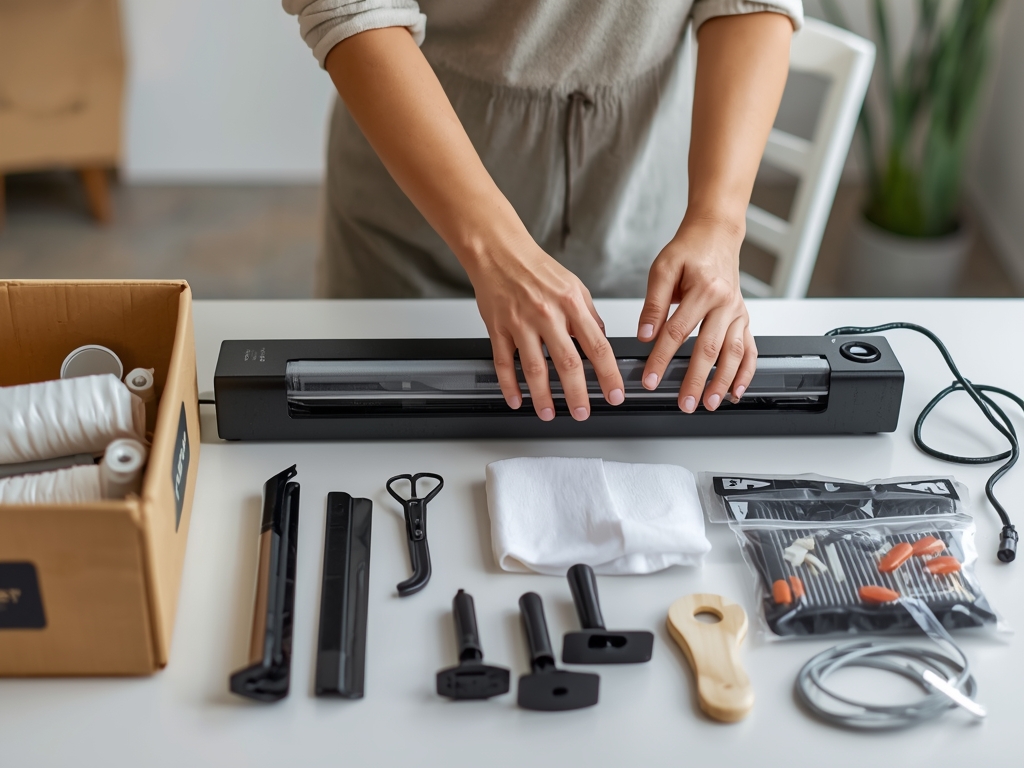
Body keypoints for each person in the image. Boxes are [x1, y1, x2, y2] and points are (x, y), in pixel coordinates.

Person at [284, 0, 801, 421]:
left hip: (636, 213)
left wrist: (717, 221)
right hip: (416, 210)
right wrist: (496, 249)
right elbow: (351, 6)